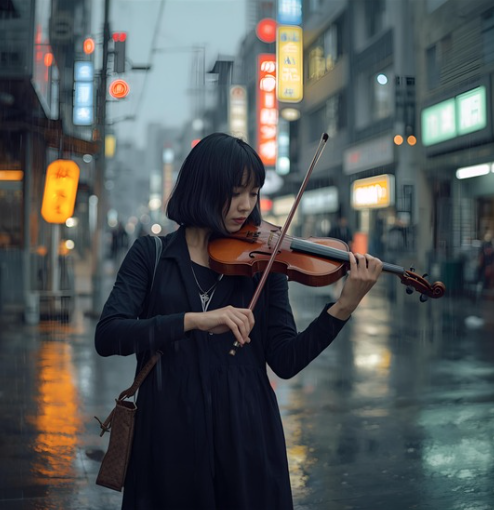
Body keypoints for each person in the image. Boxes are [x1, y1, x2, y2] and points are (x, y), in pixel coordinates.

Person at [95, 133, 382, 510]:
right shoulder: (152, 255)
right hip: (169, 433)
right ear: (203, 188)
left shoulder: (266, 258)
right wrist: (193, 321)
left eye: (253, 193)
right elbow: (109, 334)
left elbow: (285, 359)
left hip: (246, 433)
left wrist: (342, 307)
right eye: (235, 192)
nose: (246, 206)